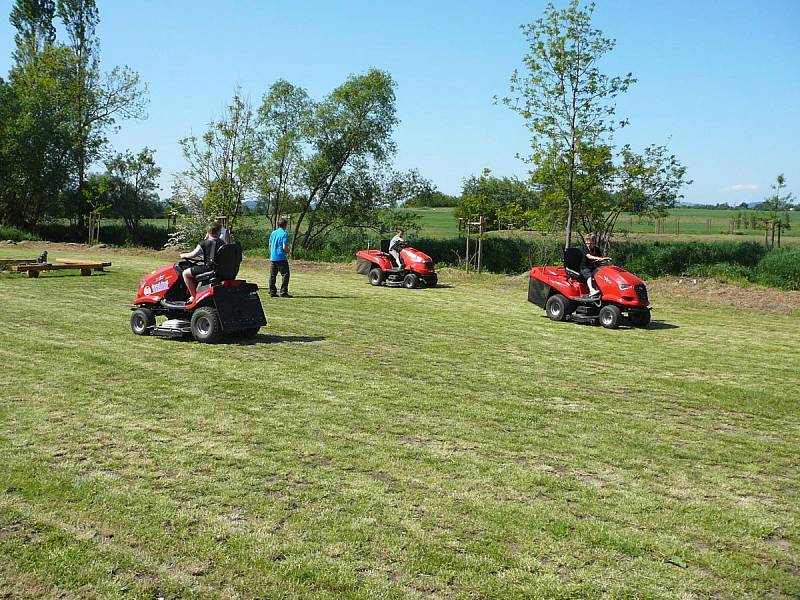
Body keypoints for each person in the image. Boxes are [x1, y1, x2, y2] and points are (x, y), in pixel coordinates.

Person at [179, 224, 225, 303]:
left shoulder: (204, 243)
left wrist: (183, 255)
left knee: (185, 273)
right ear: (218, 232)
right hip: (219, 269)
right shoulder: (222, 243)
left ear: (208, 232)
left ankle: (194, 297)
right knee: (195, 270)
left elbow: (193, 255)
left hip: (209, 268)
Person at [268, 218, 291, 297]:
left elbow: (270, 245)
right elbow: (284, 247)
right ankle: (283, 292)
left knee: (272, 275)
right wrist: (288, 251)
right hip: (281, 257)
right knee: (285, 274)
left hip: (273, 257)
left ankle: (272, 292)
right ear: (285, 225)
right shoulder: (284, 234)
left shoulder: (273, 233)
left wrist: (272, 253)